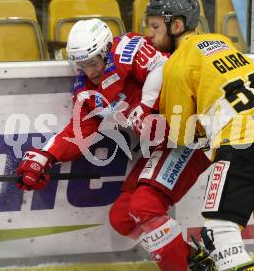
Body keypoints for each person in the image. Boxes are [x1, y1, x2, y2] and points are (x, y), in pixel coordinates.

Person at [14, 18, 214, 271]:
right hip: (161, 146)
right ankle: (191, 259)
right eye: (81, 65)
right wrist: (44, 156)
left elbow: (163, 66)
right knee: (122, 219)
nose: (89, 72)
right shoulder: (86, 88)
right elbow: (81, 129)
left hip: (190, 138)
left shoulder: (127, 49)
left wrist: (145, 106)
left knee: (145, 206)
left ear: (107, 50)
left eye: (93, 63)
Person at [146, 0, 254, 271]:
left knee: (219, 232)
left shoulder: (177, 64)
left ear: (176, 26)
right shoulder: (223, 42)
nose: (150, 34)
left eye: (155, 26)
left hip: (243, 144)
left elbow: (180, 133)